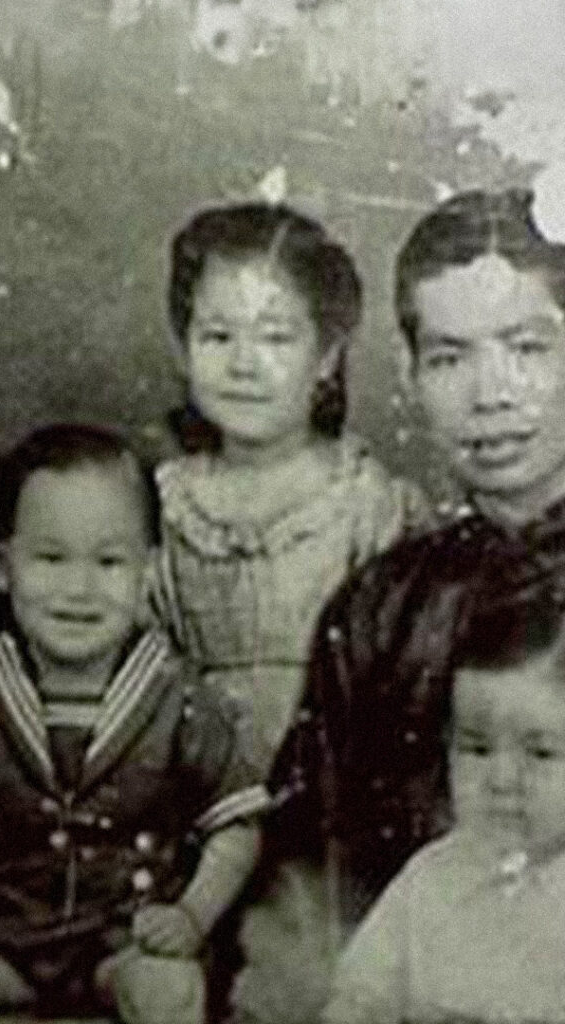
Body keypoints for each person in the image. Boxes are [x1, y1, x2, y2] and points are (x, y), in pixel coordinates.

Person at [265, 188, 565, 1018]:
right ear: (407, 375)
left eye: (527, 347)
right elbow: (305, 876)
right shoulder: (379, 608)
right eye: (449, 357)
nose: (491, 392)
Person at [0, 424, 269, 1024]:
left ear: (149, 571)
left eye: (110, 561)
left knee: (170, 992)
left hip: (122, 945)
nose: (78, 590)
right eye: (51, 558)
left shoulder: (176, 693)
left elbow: (237, 820)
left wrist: (191, 914)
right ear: (2, 565)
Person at [153, 203, 426, 1022]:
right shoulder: (160, 507)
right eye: (217, 335)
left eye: (276, 337)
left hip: (332, 822)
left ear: (329, 355)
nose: (245, 364)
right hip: (187, 822)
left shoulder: (370, 505)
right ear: (182, 346)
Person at [324, 590, 565, 1024]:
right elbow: (357, 1000)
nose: (502, 781)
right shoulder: (431, 881)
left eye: (540, 753)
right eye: (477, 749)